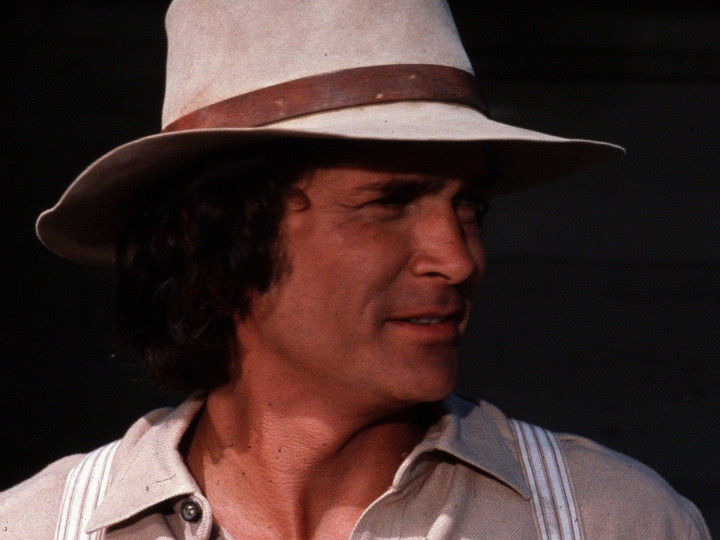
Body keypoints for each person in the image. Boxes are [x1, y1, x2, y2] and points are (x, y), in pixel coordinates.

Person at [1, 0, 710, 538]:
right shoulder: (38, 527)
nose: (458, 258)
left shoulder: (613, 520)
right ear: (217, 236)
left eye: (469, 206)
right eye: (389, 202)